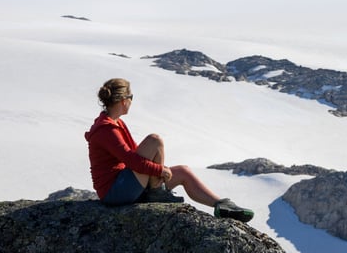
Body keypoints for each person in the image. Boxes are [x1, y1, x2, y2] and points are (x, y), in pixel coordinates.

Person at [85, 78, 254, 222]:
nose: (131, 102)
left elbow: (135, 153)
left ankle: (222, 205)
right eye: (131, 97)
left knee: (183, 171)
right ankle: (156, 192)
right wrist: (160, 170)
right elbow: (133, 161)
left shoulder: (116, 123)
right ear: (124, 100)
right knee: (155, 140)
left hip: (126, 183)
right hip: (114, 191)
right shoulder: (106, 129)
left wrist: (160, 169)